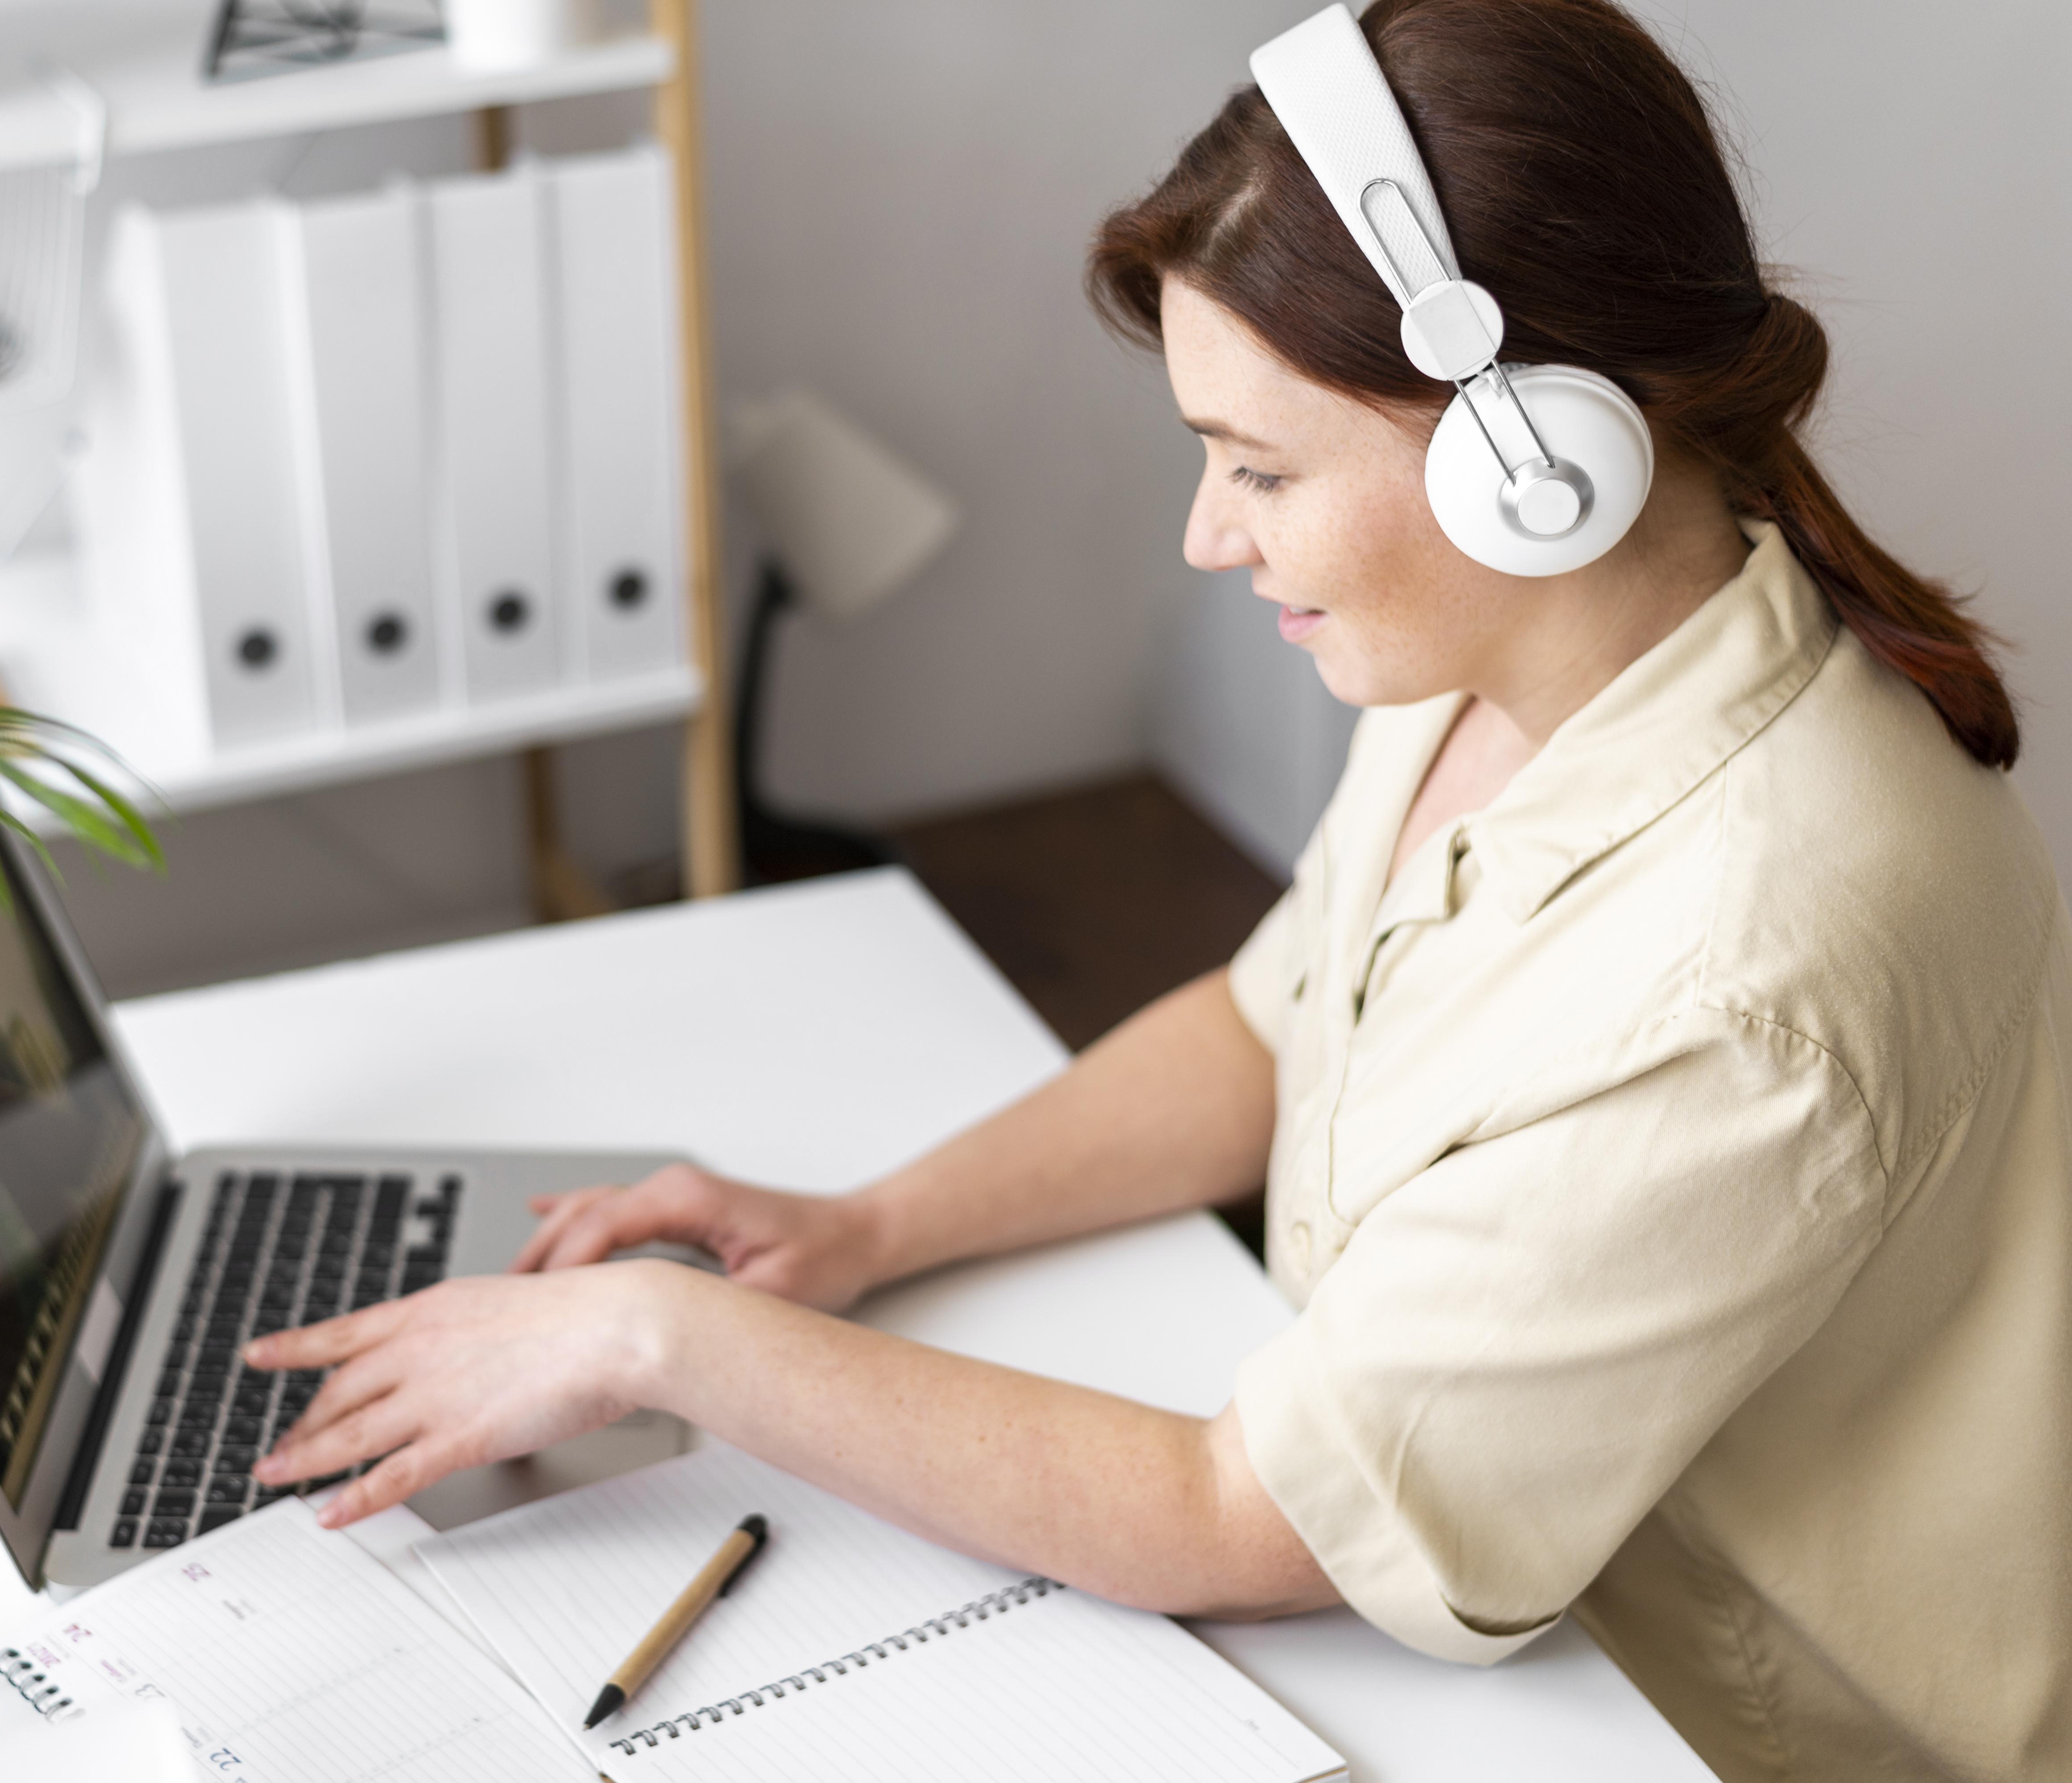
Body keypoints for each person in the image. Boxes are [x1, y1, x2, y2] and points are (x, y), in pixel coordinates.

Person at [241, 2, 2070, 1776]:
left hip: (1691, 1725)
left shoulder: (1748, 969)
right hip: (1539, 1619)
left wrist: (667, 1339)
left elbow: (1244, 1514)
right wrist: (868, 1229)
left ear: (1534, 463)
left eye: (1260, 466)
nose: (1209, 532)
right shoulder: (1508, 667)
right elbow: (1279, 1021)